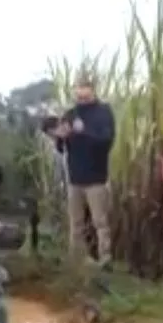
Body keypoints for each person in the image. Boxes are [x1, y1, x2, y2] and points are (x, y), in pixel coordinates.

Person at [45, 78, 115, 267]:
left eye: (84, 89)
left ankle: (105, 258)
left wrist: (83, 131)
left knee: (100, 221)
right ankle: (77, 259)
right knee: (76, 222)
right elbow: (62, 148)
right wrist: (59, 138)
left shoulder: (103, 112)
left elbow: (106, 141)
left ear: (92, 90)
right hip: (75, 177)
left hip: (96, 177)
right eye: (78, 90)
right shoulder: (70, 113)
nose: (81, 94)